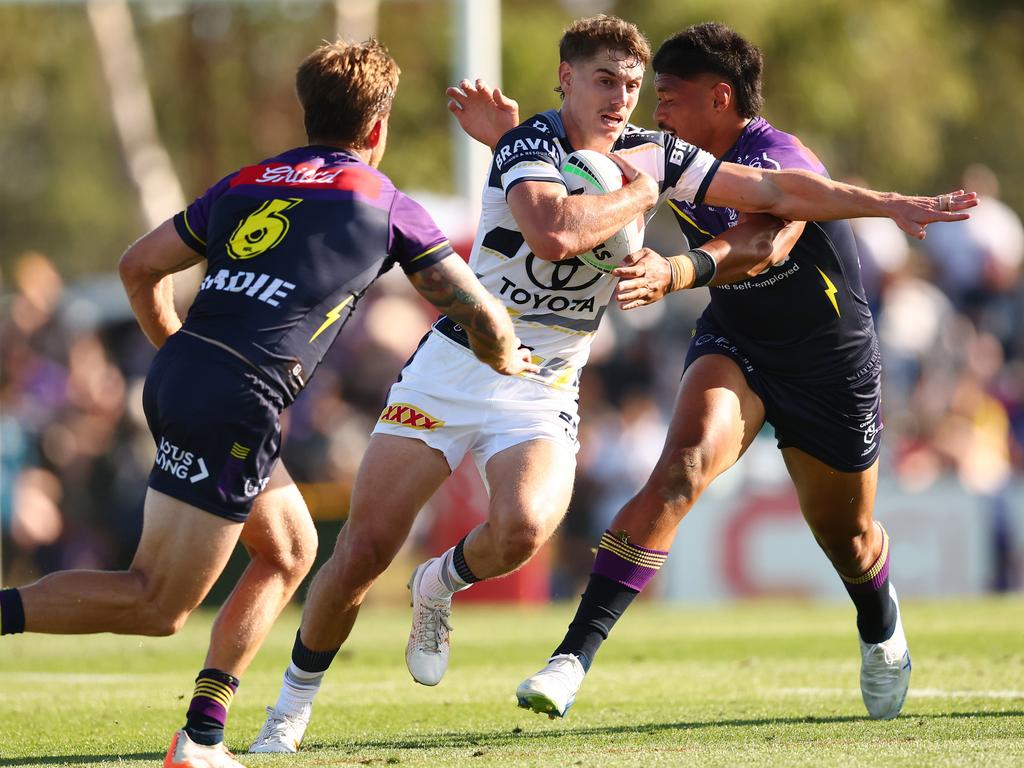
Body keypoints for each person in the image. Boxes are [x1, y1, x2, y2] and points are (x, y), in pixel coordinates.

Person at [249, 14, 974, 753]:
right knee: (366, 547)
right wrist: (641, 187)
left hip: (552, 379)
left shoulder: (656, 152)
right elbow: (554, 234)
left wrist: (891, 204)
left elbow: (778, 194)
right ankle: (289, 712)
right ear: (565, 79)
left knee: (528, 529)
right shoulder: (531, 143)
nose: (630, 100)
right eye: (609, 81)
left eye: (636, 85)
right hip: (460, 363)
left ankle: (439, 581)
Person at [0, 39, 531, 768]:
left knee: (290, 549)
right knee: (157, 603)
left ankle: (202, 735)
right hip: (238, 399)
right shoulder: (385, 204)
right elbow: (482, 317)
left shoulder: (247, 180)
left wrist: (182, 356)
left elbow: (138, 266)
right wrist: (509, 362)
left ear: (306, 112)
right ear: (377, 128)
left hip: (185, 377)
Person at [503, 22, 966, 722]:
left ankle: (880, 628)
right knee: (680, 469)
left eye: (668, 97)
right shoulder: (663, 152)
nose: (652, 112)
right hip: (736, 342)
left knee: (849, 537)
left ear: (719, 98)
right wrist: (501, 130)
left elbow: (766, 240)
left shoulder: (774, 154)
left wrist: (677, 270)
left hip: (825, 363)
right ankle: (572, 658)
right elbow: (561, 160)